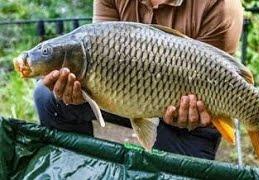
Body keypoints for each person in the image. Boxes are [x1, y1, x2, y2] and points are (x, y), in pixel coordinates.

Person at [34, 0, 244, 160]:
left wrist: (196, 115)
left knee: (180, 171)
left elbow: (219, 76)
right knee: (47, 95)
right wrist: (82, 91)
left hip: (188, 117)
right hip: (123, 92)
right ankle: (80, 166)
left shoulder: (222, 6)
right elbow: (101, 51)